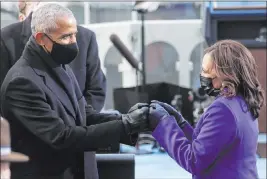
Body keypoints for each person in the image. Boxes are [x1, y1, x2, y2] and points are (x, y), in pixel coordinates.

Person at [0, 4, 149, 179]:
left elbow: (82, 114)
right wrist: (124, 126)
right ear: (41, 38)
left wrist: (128, 120)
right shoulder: (21, 82)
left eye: (74, 35)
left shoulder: (57, 64)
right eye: (66, 37)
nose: (73, 43)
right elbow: (61, 137)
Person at [148, 39, 265, 179]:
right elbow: (212, 145)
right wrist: (180, 124)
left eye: (205, 71)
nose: (203, 76)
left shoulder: (223, 109)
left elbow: (194, 160)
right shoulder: (242, 102)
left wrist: (163, 125)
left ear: (225, 74)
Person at [1, 1, 106, 113]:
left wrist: (80, 121)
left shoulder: (86, 37)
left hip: (80, 124)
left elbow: (96, 90)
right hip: (30, 124)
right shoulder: (6, 39)